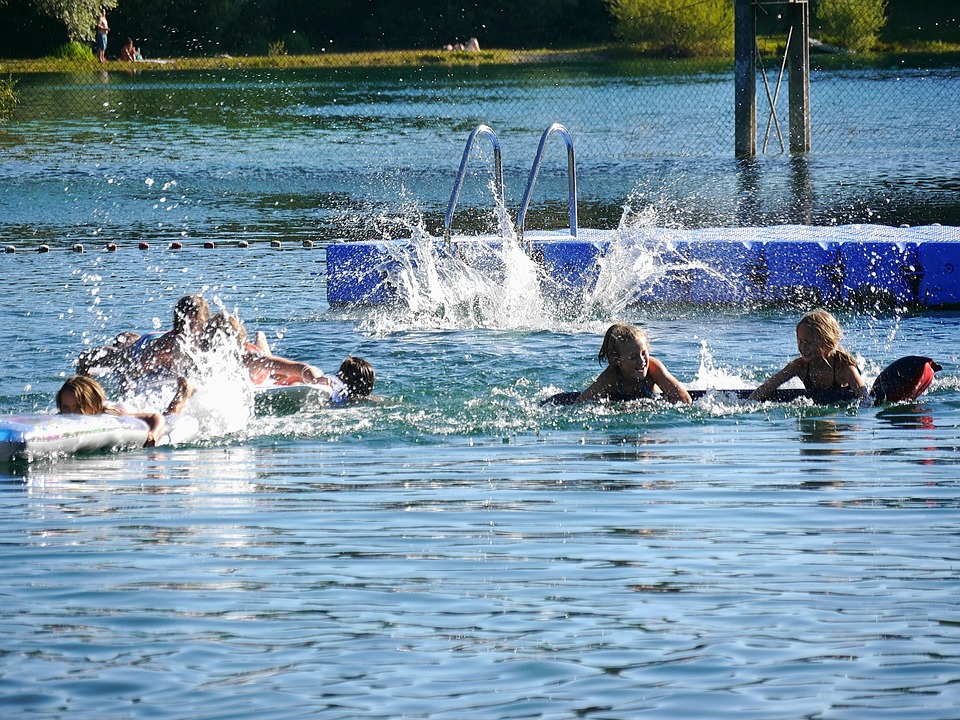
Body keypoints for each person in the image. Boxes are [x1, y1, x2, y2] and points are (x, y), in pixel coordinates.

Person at [750, 309, 869, 403]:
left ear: (828, 342)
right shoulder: (799, 366)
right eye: (800, 341)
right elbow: (768, 387)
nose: (803, 347)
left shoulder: (844, 368)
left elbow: (865, 398)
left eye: (809, 342)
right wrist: (747, 403)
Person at [577, 323, 691, 404]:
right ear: (617, 360)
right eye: (633, 357)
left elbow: (685, 399)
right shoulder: (611, 377)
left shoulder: (653, 369)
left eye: (644, 353)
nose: (641, 361)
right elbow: (581, 402)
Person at [57, 375, 169, 446]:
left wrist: (153, 434)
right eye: (66, 407)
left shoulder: (111, 415)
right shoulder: (62, 417)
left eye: (78, 407)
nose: (71, 413)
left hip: (122, 409)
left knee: (170, 414)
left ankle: (179, 397)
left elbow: (155, 417)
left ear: (92, 404)